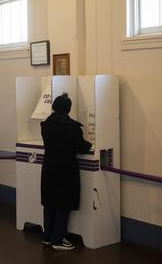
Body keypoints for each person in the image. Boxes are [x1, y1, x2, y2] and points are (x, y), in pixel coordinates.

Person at [40, 93, 92, 250]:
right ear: (68, 109)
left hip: (49, 167)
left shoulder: (45, 125)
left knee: (49, 202)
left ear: (54, 106)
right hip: (66, 169)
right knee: (63, 203)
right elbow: (81, 146)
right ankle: (58, 239)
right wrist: (89, 144)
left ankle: (47, 237)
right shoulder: (72, 127)